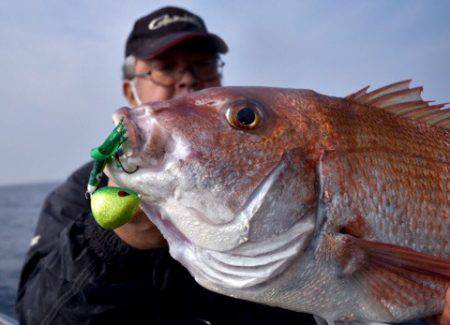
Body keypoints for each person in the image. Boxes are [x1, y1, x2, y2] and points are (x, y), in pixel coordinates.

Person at [15, 7, 317, 325]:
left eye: (203, 65)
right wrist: (115, 240)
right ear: (129, 90)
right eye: (165, 67)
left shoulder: (278, 166)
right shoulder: (78, 192)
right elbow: (37, 314)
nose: (188, 79)